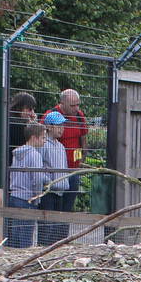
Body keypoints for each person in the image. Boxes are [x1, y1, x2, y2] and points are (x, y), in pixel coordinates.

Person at [44, 88, 88, 216]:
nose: (76, 108)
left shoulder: (79, 116)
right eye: (72, 105)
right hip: (56, 173)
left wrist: (82, 160)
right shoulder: (51, 116)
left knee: (67, 210)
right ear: (62, 103)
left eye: (78, 104)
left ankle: (64, 236)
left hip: (73, 170)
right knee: (54, 211)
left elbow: (83, 139)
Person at [6, 121, 48, 248]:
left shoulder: (17, 153)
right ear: (34, 138)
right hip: (27, 199)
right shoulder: (35, 155)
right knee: (25, 237)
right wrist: (37, 197)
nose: (45, 141)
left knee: (14, 235)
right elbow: (37, 179)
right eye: (43, 137)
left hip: (14, 196)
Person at [37, 110, 73, 245]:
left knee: (57, 226)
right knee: (47, 225)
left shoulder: (61, 146)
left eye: (62, 126)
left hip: (61, 191)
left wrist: (64, 182)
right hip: (48, 191)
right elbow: (38, 167)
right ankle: (43, 249)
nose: (61, 129)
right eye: (58, 126)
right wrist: (49, 182)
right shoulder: (43, 145)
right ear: (49, 127)